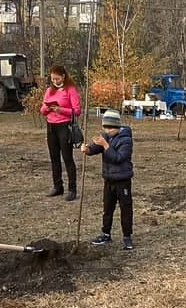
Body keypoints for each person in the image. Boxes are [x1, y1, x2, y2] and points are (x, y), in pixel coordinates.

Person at [81, 109, 134, 250]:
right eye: (105, 127)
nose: (107, 130)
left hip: (122, 180)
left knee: (125, 208)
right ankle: (106, 233)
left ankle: (127, 236)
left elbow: (118, 158)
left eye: (110, 128)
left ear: (117, 126)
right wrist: (88, 149)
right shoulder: (106, 136)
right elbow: (95, 148)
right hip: (109, 179)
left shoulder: (126, 139)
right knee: (107, 208)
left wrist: (106, 145)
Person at [40, 65, 82, 201]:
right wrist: (47, 108)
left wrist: (61, 110)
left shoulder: (71, 89)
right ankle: (58, 186)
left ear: (63, 76)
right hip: (51, 126)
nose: (55, 81)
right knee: (54, 157)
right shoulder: (49, 90)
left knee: (67, 157)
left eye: (57, 78)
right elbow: (42, 110)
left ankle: (72, 189)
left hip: (65, 126)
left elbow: (77, 111)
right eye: (53, 79)